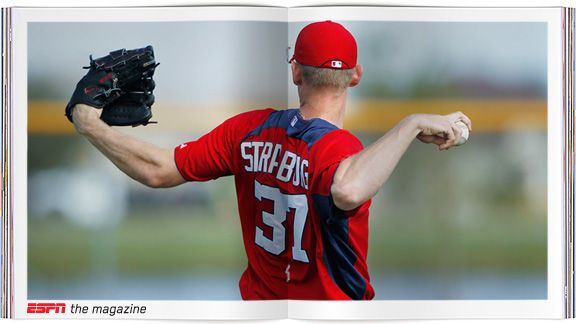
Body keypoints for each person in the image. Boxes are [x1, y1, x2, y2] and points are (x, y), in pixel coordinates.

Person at [69, 21, 472, 300]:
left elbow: (159, 171)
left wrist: (91, 125)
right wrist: (410, 123)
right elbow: (347, 189)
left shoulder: (249, 129)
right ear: (355, 76)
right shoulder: (340, 148)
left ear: (296, 71)